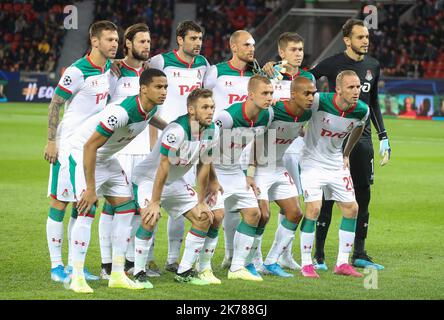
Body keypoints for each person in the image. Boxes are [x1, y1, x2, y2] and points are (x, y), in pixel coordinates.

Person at [68, 68, 168, 293]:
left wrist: (171, 127)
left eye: (166, 87)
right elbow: (89, 146)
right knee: (87, 208)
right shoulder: (122, 112)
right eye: (158, 87)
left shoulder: (150, 107)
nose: (164, 92)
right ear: (143, 89)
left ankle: (117, 273)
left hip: (107, 158)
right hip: (84, 155)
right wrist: (92, 189)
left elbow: (153, 119)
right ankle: (76, 276)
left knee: (124, 207)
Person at [310, 19, 390, 270]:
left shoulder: (373, 65)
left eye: (367, 36)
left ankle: (360, 253)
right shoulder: (332, 63)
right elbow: (307, 79)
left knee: (363, 195)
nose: (365, 41)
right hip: (333, 141)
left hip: (362, 139)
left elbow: (374, 101)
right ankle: (320, 255)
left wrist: (383, 136)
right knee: (328, 197)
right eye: (360, 37)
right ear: (347, 40)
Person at [43, 20, 118, 283]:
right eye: (109, 40)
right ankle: (56, 266)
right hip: (67, 147)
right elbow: (55, 104)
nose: (114, 44)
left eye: (117, 40)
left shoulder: (108, 67)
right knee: (59, 203)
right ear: (95, 41)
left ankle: (76, 265)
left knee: (82, 204)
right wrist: (52, 141)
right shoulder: (76, 71)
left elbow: (112, 64)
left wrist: (117, 61)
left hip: (89, 146)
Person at [131, 88, 221, 286]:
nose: (210, 111)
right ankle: (138, 273)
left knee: (203, 217)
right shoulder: (177, 130)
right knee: (150, 217)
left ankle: (185, 271)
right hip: (149, 179)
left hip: (174, 182)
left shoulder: (212, 130)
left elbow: (204, 165)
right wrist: (155, 202)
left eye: (212, 107)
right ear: (191, 110)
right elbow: (163, 166)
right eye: (204, 107)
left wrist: (200, 202)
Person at [97, 23, 161, 279]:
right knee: (113, 206)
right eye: (142, 41)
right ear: (128, 43)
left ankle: (131, 261)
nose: (147, 46)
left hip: (143, 149)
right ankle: (106, 264)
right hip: (117, 149)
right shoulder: (113, 71)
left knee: (136, 207)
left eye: (149, 41)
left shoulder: (150, 74)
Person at [149, 20, 211, 273]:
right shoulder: (160, 62)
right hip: (162, 139)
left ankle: (173, 259)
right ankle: (146, 257)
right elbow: (148, 95)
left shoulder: (203, 66)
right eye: (193, 38)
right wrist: (153, 138)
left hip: (189, 140)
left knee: (179, 201)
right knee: (151, 200)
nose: (197, 43)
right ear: (180, 39)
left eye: (200, 38)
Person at [298, 70, 369, 279]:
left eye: (358, 87)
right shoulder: (319, 101)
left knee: (351, 208)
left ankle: (342, 263)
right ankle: (306, 263)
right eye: (351, 87)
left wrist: (345, 154)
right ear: (338, 89)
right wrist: (299, 130)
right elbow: (300, 110)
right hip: (311, 161)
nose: (356, 91)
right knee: (314, 208)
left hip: (335, 163)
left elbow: (359, 128)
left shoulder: (361, 110)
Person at [259, 32, 317, 271]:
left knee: (291, 202)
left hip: (294, 146)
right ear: (282, 52)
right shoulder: (272, 74)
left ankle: (284, 254)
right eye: (293, 49)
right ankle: (246, 258)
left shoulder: (307, 77)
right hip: (267, 144)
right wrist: (264, 72)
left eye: (301, 49)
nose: (298, 54)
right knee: (259, 208)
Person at [210, 75, 274, 281]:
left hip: (235, 170)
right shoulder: (227, 117)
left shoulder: (265, 116)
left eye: (271, 93)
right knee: (211, 218)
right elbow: (205, 148)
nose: (269, 97)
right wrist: (211, 179)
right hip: (214, 169)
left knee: (254, 213)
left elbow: (257, 144)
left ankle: (237, 267)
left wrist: (250, 174)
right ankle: (200, 267)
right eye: (265, 93)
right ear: (251, 95)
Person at [250, 77, 315, 277]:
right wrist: (250, 171)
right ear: (292, 95)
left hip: (278, 166)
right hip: (259, 166)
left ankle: (271, 261)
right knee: (262, 215)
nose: (311, 98)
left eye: (313, 94)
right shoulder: (272, 111)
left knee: (295, 212)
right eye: (307, 94)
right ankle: (252, 261)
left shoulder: (308, 113)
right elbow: (253, 138)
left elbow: (301, 130)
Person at [203, 30, 256, 270]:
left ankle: (233, 257)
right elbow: (201, 98)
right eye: (246, 44)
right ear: (233, 47)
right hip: (217, 146)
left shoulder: (257, 75)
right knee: (215, 208)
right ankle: (185, 260)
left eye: (253, 44)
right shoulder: (216, 72)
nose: (251, 48)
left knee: (240, 205)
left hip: (245, 146)